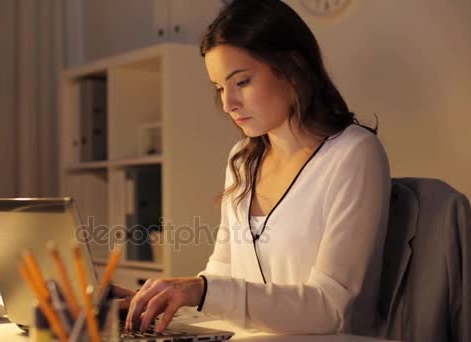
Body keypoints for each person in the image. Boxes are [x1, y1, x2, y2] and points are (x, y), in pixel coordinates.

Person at [116, 0, 391, 336]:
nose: (228, 104)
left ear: (292, 68)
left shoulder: (353, 154)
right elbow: (222, 275)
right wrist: (161, 302)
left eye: (242, 82)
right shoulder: (242, 160)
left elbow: (332, 309)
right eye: (219, 88)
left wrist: (201, 291)